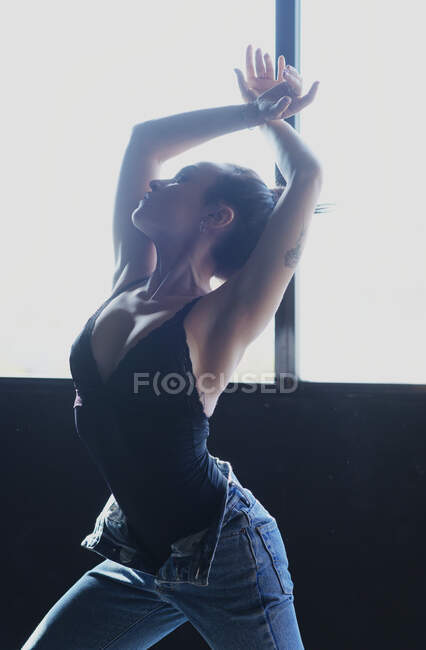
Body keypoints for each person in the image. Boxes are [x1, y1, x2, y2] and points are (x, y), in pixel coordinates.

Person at [22, 45, 322, 649]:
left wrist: (274, 120)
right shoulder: (129, 278)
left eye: (183, 180)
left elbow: (307, 179)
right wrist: (250, 109)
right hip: (141, 554)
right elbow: (144, 141)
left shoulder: (218, 322)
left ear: (217, 218)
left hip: (228, 557)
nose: (159, 178)